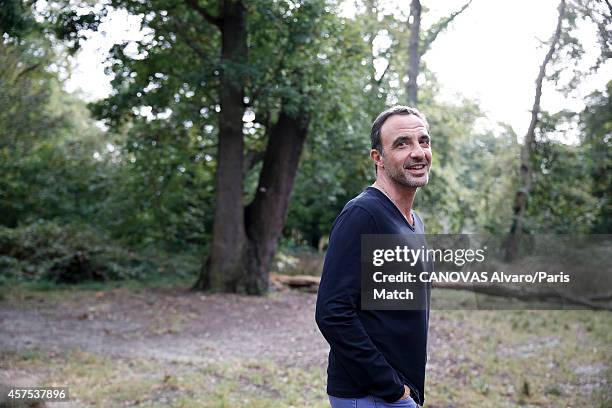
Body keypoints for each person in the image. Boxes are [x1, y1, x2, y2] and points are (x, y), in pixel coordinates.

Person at [315, 106, 432, 408]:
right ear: (377, 158)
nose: (418, 152)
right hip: (369, 395)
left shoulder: (413, 222)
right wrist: (391, 388)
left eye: (424, 141)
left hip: (398, 391)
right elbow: (333, 311)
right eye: (402, 143)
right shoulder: (363, 214)